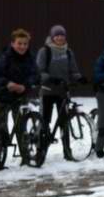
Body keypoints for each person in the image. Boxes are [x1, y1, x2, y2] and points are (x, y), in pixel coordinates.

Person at [0, 29, 39, 168]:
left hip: (20, 97)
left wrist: (25, 85)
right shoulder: (4, 57)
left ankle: (25, 157)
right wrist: (8, 84)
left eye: (25, 44)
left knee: (21, 127)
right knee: (0, 128)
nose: (22, 46)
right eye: (19, 43)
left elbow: (35, 75)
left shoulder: (30, 57)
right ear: (12, 43)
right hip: (3, 96)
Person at [35, 24, 83, 161]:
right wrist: (49, 79)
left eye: (62, 35)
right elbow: (39, 70)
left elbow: (73, 70)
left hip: (63, 92)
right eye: (57, 35)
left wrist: (80, 78)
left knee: (64, 121)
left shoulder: (68, 51)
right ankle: (40, 150)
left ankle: (67, 151)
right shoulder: (45, 51)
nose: (60, 38)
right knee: (44, 121)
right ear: (52, 37)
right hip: (47, 91)